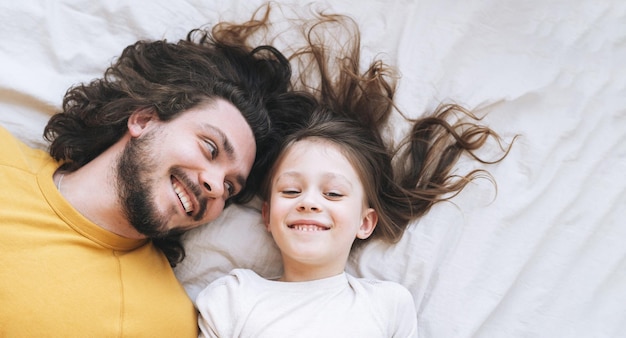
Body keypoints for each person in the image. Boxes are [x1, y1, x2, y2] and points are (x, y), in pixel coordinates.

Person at [195, 6, 512, 337]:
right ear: (267, 215)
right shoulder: (233, 297)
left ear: (365, 222)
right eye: (291, 191)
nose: (309, 202)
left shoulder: (387, 305)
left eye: (333, 193)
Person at [0, 12, 313, 337]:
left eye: (230, 188)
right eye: (210, 148)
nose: (215, 186)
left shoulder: (163, 323)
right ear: (144, 120)